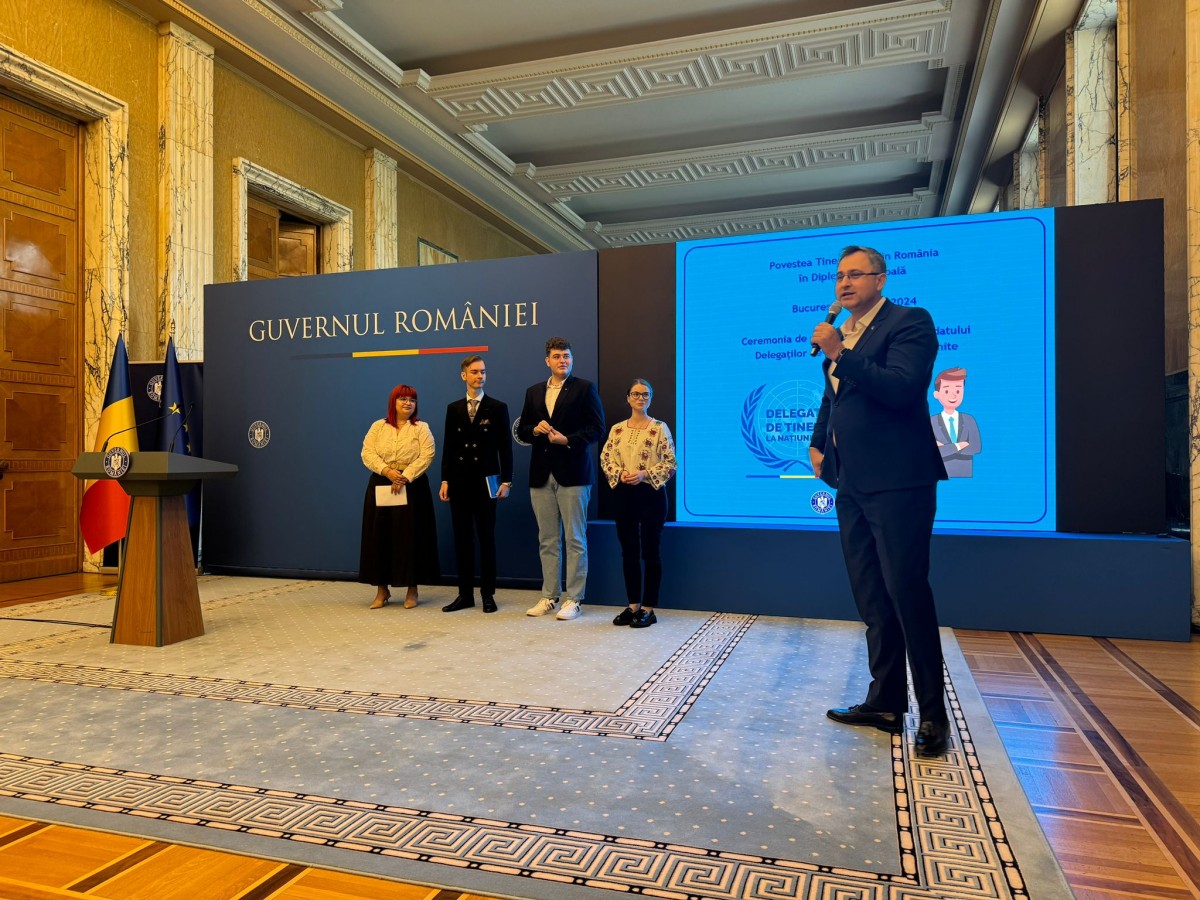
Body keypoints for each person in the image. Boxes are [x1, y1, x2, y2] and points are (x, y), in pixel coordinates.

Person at [809, 245, 950, 757]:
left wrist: (840, 353)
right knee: (872, 597)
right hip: (851, 482)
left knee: (906, 592)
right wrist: (818, 441)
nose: (844, 283)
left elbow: (901, 388)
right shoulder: (843, 335)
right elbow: (834, 398)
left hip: (899, 481)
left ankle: (933, 715)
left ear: (881, 279)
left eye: (855, 274)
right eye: (839, 276)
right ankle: (886, 702)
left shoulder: (910, 322)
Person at [517, 337, 605, 621]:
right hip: (541, 474)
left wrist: (567, 440)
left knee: (575, 539)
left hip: (574, 473)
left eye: (566, 356)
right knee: (547, 539)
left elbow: (597, 429)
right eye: (557, 356)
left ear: (571, 359)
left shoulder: (585, 388)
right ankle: (549, 596)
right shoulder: (533, 392)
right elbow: (522, 430)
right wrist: (535, 430)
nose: (562, 361)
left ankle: (574, 599)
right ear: (548, 361)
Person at [600, 378, 677, 628]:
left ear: (651, 398)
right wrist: (620, 473)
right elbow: (606, 458)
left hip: (651, 495)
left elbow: (670, 463)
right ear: (628, 398)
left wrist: (644, 475)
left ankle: (648, 608)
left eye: (646, 394)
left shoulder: (660, 428)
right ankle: (633, 605)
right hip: (624, 495)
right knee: (629, 551)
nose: (641, 398)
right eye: (636, 394)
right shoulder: (617, 429)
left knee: (651, 551)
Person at [439, 355, 513, 614]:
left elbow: (505, 447)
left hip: (487, 481)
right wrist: (445, 479)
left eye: (483, 371)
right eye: (474, 372)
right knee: (462, 539)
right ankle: (465, 594)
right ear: (464, 375)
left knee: (486, 538)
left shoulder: (497, 407)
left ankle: (487, 594)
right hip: (459, 482)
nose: (480, 376)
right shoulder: (454, 408)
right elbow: (448, 447)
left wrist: (507, 480)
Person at [358, 384, 439, 609]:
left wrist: (404, 477)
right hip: (381, 483)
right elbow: (367, 452)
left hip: (412, 487)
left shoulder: (421, 428)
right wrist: (387, 471)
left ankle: (412, 589)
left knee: (411, 537)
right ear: (393, 402)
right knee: (380, 536)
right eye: (403, 399)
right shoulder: (378, 426)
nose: (407, 403)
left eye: (412, 400)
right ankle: (382, 590)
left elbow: (427, 455)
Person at [930, 367, 981, 477]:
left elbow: (976, 447)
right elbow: (929, 451)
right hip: (939, 476)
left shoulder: (969, 419)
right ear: (936, 394)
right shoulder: (931, 422)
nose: (953, 395)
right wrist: (959, 445)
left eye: (958, 391)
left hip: (965, 475)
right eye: (947, 391)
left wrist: (945, 448)